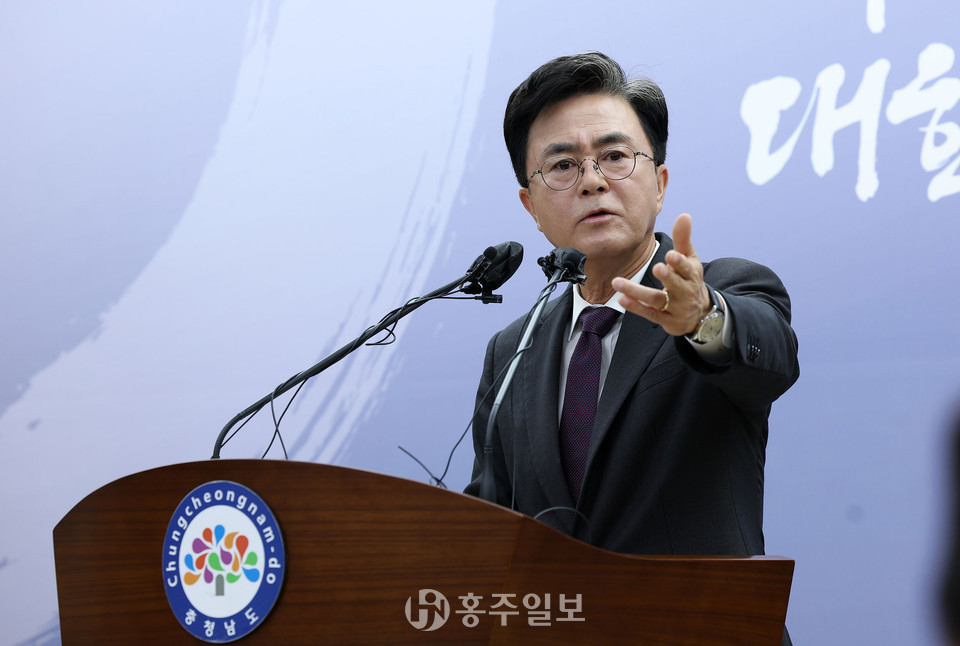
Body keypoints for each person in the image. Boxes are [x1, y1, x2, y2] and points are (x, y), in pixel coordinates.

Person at [464, 52, 800, 642]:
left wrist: (701, 319)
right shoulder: (511, 351)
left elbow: (770, 359)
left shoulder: (730, 288)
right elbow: (490, 525)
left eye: (616, 157)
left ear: (660, 183)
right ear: (531, 206)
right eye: (562, 165)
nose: (592, 181)